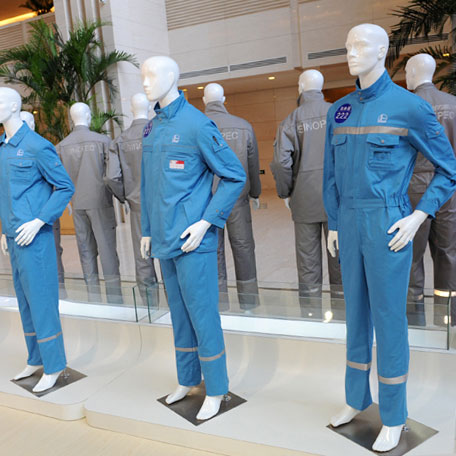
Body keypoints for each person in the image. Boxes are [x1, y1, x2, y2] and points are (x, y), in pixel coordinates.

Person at [323, 24, 456, 451]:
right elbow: (330, 175)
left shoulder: (410, 107)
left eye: (360, 45)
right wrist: (334, 222)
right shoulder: (338, 110)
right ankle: (356, 399)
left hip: (388, 223)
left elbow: (449, 168)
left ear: (382, 51)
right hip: (349, 222)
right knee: (355, 315)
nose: (351, 52)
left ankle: (394, 415)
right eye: (347, 45)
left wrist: (419, 215)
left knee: (388, 319)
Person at [140, 56, 245, 420]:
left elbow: (234, 175)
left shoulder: (198, 125)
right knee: (179, 315)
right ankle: (187, 379)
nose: (145, 82)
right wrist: (147, 230)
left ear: (172, 77)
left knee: (202, 315)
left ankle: (216, 388)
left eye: (152, 75)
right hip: (163, 239)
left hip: (192, 241)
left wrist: (206, 222)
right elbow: (147, 185)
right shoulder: (151, 128)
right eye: (142, 76)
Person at [0, 87, 74, 392]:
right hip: (13, 237)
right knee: (25, 302)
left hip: (35, 239)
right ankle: (35, 358)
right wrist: (4, 230)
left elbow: (65, 187)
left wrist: (40, 220)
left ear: (13, 106)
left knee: (42, 302)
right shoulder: (3, 148)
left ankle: (54, 365)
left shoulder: (37, 146)